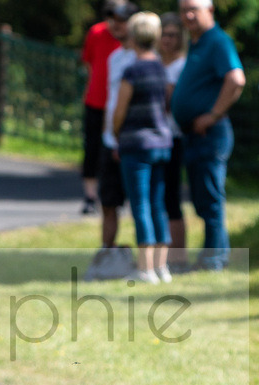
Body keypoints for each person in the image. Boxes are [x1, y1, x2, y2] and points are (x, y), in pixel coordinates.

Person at [170, 0, 245, 271]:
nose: (188, 15)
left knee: (211, 200)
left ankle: (215, 260)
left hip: (211, 134)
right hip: (195, 135)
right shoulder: (196, 41)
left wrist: (212, 114)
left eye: (194, 9)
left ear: (210, 10)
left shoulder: (217, 41)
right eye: (184, 10)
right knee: (202, 200)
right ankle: (209, 256)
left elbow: (236, 79)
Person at [113, 12, 174, 284]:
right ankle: (162, 267)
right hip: (162, 143)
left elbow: (120, 110)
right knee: (158, 204)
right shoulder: (161, 68)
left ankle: (145, 268)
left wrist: (116, 133)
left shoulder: (133, 70)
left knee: (140, 205)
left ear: (134, 36)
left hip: (137, 144)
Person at [79, 0, 129, 215]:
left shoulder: (130, 40)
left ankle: (119, 195)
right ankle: (90, 196)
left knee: (117, 150)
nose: (115, 22)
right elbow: (89, 62)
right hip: (96, 102)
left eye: (120, 17)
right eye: (111, 16)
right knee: (92, 149)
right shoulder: (96, 33)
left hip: (120, 105)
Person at [159, 13, 189, 271]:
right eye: (163, 34)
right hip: (154, 138)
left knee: (171, 198)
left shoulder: (182, 65)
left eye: (172, 35)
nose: (167, 40)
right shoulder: (155, 63)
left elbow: (168, 101)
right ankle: (158, 257)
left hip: (173, 137)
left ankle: (178, 258)